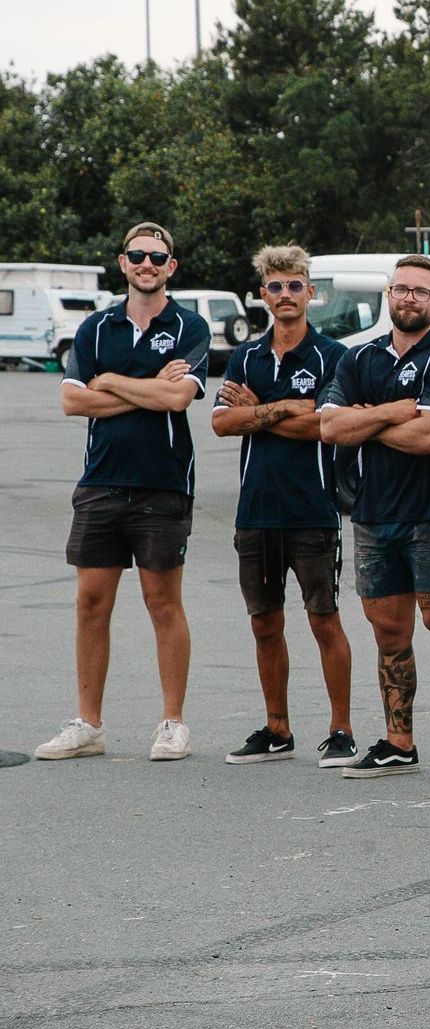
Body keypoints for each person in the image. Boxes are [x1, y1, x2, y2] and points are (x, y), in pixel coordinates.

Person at [38, 222, 209, 763]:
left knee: (163, 603)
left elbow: (179, 398)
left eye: (157, 257)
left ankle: (173, 723)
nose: (147, 264)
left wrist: (109, 381)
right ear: (123, 262)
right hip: (99, 483)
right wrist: (147, 389)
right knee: (91, 603)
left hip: (162, 484)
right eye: (138, 256)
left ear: (171, 267)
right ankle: (89, 724)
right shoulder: (95, 328)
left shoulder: (190, 326)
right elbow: (71, 402)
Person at [318, 254, 430, 779]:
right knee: (389, 631)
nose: (409, 297)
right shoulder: (358, 359)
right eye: (401, 288)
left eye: (420, 290)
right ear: (388, 295)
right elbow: (330, 429)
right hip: (373, 514)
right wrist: (393, 411)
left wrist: (363, 418)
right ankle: (398, 742)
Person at [210, 244, 358, 767]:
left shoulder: (332, 357)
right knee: (264, 623)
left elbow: (325, 423)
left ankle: (341, 730)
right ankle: (277, 730)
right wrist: (284, 408)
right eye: (276, 286)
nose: (286, 295)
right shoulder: (245, 356)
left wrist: (262, 410)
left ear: (311, 293)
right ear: (262, 295)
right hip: (256, 512)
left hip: (313, 511)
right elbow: (222, 422)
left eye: (295, 286)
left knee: (324, 620)